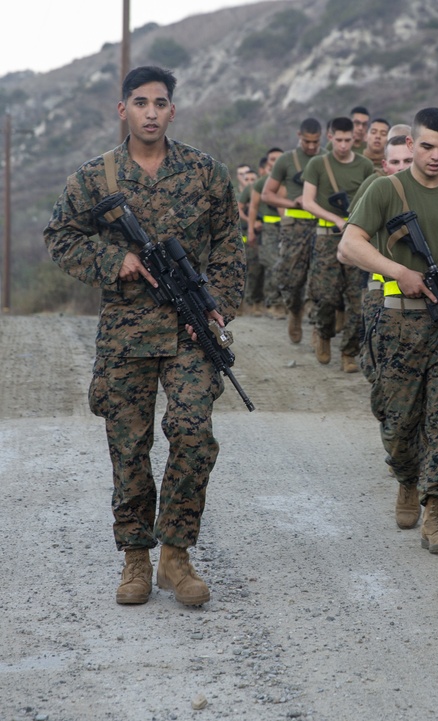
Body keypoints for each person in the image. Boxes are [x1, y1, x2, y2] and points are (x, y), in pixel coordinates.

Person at [43, 65, 245, 608]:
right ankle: (135, 557)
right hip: (126, 335)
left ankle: (175, 554)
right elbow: (60, 238)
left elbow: (231, 245)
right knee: (129, 448)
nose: (150, 112)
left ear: (172, 110)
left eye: (160, 103)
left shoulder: (205, 173)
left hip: (189, 332)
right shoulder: (96, 178)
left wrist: (217, 305)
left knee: (193, 434)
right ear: (123, 110)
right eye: (140, 103)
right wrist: (119, 260)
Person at [337, 108, 438, 553]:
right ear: (411, 144)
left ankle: (436, 514)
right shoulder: (386, 189)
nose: (436, 156)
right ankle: (407, 478)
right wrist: (398, 271)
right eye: (428, 146)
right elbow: (349, 245)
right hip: (397, 318)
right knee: (397, 422)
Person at [301, 116, 375, 368]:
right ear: (330, 137)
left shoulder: (365, 166)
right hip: (326, 238)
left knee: (357, 298)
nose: (343, 145)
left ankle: (349, 352)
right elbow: (308, 201)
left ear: (355, 138)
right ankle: (322, 333)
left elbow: (370, 199)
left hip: (357, 238)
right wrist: (335, 219)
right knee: (326, 296)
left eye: (348, 140)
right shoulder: (318, 164)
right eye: (338, 139)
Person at [355, 135, 414, 381]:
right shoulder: (377, 192)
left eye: (408, 160)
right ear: (385, 165)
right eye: (396, 161)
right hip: (383, 287)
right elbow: (354, 241)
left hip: (429, 294)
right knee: (377, 360)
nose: (402, 167)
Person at [262, 119, 323, 343]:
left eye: (315, 142)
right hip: (294, 227)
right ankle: (295, 311)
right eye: (307, 141)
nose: (311, 146)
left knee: (321, 279)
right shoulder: (286, 160)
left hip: (321, 226)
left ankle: (319, 327)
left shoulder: (325, 158)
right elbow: (268, 194)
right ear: (299, 135)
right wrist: (294, 203)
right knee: (291, 279)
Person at [247, 147, 284, 318]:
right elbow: (253, 206)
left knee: (285, 265)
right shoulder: (262, 183)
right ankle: (273, 303)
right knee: (273, 264)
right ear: (268, 163)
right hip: (268, 230)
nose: (275, 162)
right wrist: (251, 230)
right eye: (272, 159)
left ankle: (285, 302)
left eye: (279, 159)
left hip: (288, 228)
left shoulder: (290, 181)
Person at [237, 167, 263, 314]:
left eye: (253, 179)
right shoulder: (236, 195)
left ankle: (253, 302)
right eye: (246, 179)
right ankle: (239, 304)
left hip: (255, 240)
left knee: (255, 271)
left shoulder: (258, 194)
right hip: (240, 239)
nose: (249, 182)